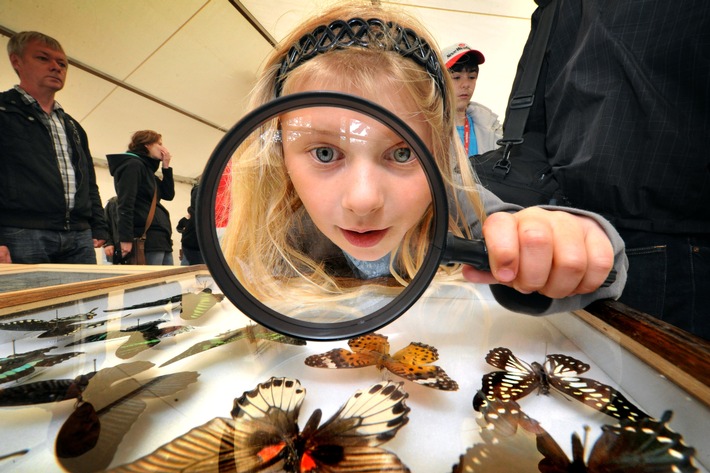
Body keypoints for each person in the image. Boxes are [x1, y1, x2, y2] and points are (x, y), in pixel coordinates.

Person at [222, 1, 627, 316]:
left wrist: (570, 244)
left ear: (441, 151)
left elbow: (604, 270)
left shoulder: (460, 211)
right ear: (279, 157)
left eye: (402, 152)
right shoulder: (280, 234)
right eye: (325, 153)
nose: (363, 200)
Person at [519, 0, 709, 338]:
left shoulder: (557, 8)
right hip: (668, 235)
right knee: (659, 386)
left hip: (576, 228)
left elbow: (528, 120)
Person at [0, 31, 108, 264]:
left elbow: (88, 181)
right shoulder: (3, 112)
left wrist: (98, 226)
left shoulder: (73, 126)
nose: (56, 67)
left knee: (89, 301)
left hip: (78, 235)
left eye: (62, 63)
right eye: (43, 58)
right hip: (21, 232)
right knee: (29, 301)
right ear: (16, 61)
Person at [106, 130, 175, 265]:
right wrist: (125, 239)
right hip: (146, 237)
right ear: (147, 145)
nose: (163, 148)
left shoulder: (147, 170)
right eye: (159, 144)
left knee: (167, 283)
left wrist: (166, 167)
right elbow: (125, 203)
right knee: (153, 284)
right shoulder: (133, 165)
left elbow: (168, 194)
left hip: (159, 237)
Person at [441, 42, 502, 156]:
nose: (466, 84)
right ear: (440, 80)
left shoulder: (492, 127)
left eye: (472, 77)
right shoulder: (426, 127)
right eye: (456, 77)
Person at [176, 184, 203, 265]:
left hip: (192, 242)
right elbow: (179, 227)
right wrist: (183, 230)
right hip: (192, 243)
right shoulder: (185, 219)